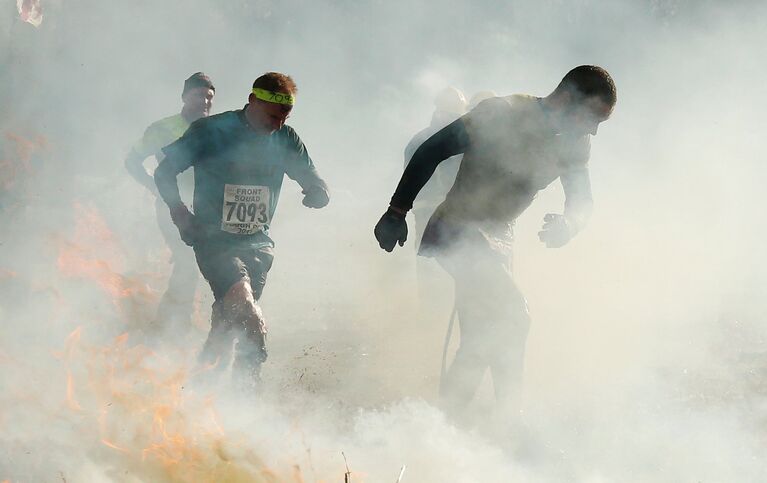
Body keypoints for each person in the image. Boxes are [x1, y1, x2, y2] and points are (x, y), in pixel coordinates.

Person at [374, 65, 616, 415]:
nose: (593, 129)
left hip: (499, 240)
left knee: (481, 336)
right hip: (457, 229)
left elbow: (582, 201)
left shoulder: (576, 144)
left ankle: (449, 419)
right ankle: (509, 420)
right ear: (567, 98)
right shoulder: (501, 114)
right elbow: (431, 150)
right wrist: (396, 211)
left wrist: (568, 223)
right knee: (514, 317)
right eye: (592, 117)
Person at [155, 72, 330, 388]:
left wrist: (317, 191)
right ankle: (249, 391)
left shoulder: (286, 139)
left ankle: (199, 392)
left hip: (259, 245)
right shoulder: (211, 131)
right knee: (249, 316)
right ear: (252, 102)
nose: (277, 124)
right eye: (272, 116)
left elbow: (312, 178)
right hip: (213, 241)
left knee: (226, 327)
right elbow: (164, 172)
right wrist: (179, 212)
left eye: (284, 117)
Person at [124, 72, 215, 333]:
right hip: (172, 205)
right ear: (185, 97)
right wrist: (153, 186)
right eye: (200, 95)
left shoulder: (215, 128)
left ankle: (181, 317)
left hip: (208, 207)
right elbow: (132, 160)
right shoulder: (162, 129)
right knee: (187, 260)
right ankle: (171, 322)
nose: (205, 102)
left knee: (204, 263)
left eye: (210, 97)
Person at [404, 86, 467, 248]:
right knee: (456, 259)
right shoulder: (457, 140)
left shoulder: (417, 140)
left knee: (428, 258)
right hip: (449, 211)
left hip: (424, 211)